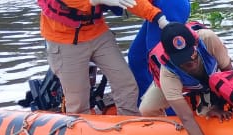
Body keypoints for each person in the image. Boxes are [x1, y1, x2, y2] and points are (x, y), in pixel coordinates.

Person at [37, 0, 172, 115]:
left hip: (97, 32)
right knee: (78, 100)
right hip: (63, 38)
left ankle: (129, 126)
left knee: (126, 84)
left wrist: (158, 17)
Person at [139, 23, 233, 135]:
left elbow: (229, 74)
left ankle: (204, 104)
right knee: (146, 109)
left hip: (210, 78)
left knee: (207, 116)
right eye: (182, 61)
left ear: (196, 45)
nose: (189, 63)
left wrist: (219, 105)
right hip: (180, 82)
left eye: (191, 56)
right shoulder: (167, 71)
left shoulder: (208, 39)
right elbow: (186, 118)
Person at [127, 0, 191, 102]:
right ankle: (145, 103)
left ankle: (170, 110)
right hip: (155, 6)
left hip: (169, 5)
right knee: (137, 56)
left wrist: (158, 17)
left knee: (158, 61)